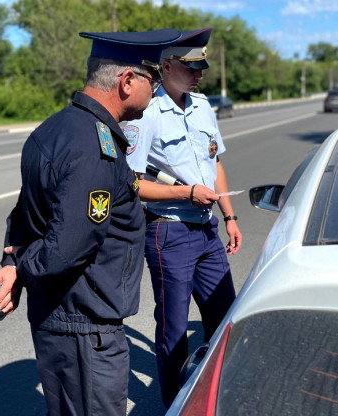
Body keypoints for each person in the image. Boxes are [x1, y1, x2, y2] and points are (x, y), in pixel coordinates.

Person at [0, 28, 182, 416]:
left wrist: (13, 264)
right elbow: (65, 249)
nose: (156, 92)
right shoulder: (95, 148)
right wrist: (21, 264)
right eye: (154, 81)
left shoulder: (56, 128)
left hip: (63, 321)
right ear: (127, 81)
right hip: (85, 330)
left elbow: (25, 212)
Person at [123, 27, 242, 408]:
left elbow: (215, 162)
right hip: (169, 233)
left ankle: (218, 396)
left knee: (226, 320)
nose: (200, 73)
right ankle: (178, 405)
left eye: (202, 66)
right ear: (167, 65)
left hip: (207, 230)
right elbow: (133, 184)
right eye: (191, 67)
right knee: (174, 331)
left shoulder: (203, 106)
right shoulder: (146, 114)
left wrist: (230, 217)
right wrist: (186, 192)